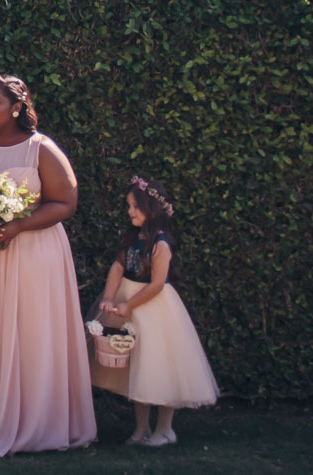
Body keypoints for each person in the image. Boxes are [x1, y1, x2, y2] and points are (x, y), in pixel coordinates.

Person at [0, 74, 97, 455]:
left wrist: (18, 225)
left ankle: (34, 419)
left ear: (16, 107)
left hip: (31, 251)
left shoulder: (41, 148)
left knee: (28, 328)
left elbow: (65, 203)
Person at [91, 176, 220, 447]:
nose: (130, 211)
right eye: (129, 206)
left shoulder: (160, 243)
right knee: (136, 368)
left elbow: (158, 283)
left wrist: (128, 305)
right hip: (127, 299)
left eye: (135, 206)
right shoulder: (131, 237)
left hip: (151, 306)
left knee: (158, 367)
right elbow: (118, 266)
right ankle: (140, 429)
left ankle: (164, 429)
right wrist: (110, 296)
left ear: (152, 208)